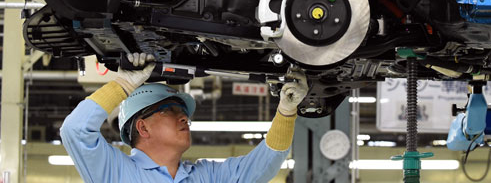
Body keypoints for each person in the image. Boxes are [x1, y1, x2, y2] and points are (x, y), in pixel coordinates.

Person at [60, 53, 309, 182]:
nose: (184, 119)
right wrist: (122, 84)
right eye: (171, 110)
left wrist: (286, 112)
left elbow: (262, 165)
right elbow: (75, 131)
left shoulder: (205, 177)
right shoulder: (114, 172)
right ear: (142, 127)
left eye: (183, 113)